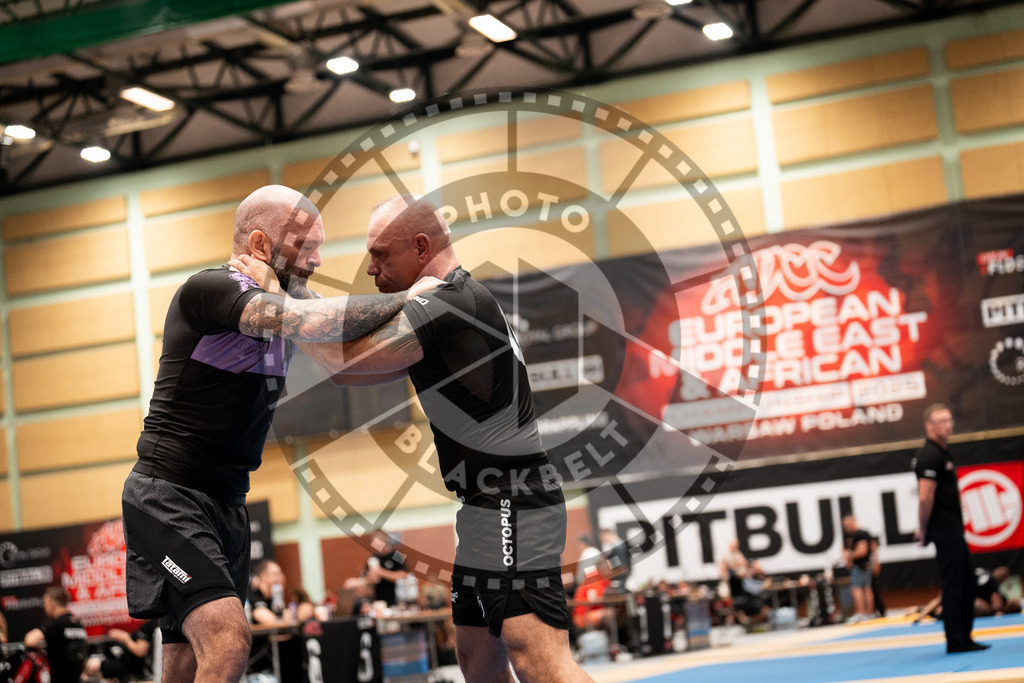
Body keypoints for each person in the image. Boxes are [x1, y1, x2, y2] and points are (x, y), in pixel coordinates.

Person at [232, 194, 593, 683]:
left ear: (421, 247)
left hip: (513, 498)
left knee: (537, 657)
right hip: (483, 505)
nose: (370, 270)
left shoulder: (450, 303)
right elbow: (347, 356)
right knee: (476, 658)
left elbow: (345, 363)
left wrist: (281, 290)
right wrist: (295, 293)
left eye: (380, 255)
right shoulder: (448, 303)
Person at [121, 185, 440, 683]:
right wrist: (411, 297)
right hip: (169, 496)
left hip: (228, 504)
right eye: (306, 247)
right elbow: (310, 321)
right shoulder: (212, 289)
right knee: (229, 641)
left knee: (188, 660)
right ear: (260, 244)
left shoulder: (290, 299)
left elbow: (341, 351)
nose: (317, 260)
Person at [913, 403, 989, 654]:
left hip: (954, 528)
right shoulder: (929, 455)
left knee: (967, 581)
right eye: (941, 421)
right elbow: (925, 497)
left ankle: (964, 636)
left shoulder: (943, 453)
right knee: (954, 582)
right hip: (943, 529)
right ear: (929, 426)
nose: (948, 425)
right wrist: (923, 529)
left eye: (949, 420)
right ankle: (955, 639)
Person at [22, 587, 87, 683]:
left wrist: (41, 650)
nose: (44, 607)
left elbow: (30, 640)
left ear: (51, 603)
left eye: (45, 603)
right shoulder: (78, 624)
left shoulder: (56, 624)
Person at [81, 619, 158, 682]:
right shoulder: (150, 625)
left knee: (92, 665)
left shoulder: (150, 625)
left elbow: (141, 651)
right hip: (128, 664)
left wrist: (125, 638)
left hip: (133, 668)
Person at [841, 515, 874, 623]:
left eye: (847, 525)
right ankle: (867, 613)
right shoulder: (849, 536)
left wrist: (850, 556)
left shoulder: (860, 534)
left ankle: (862, 613)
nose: (846, 528)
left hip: (861, 565)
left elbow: (862, 551)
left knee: (858, 588)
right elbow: (845, 549)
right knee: (865, 587)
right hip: (860, 564)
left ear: (853, 522)